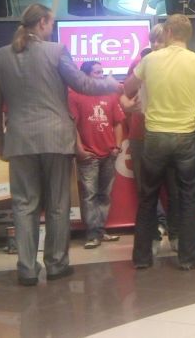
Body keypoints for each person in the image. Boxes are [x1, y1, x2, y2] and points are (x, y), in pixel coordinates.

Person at [0, 3, 119, 286]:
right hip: (56, 138)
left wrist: (0, 143)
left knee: (23, 205)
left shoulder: (1, 56)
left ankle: (27, 269)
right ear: (42, 22)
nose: (52, 29)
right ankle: (56, 264)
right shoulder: (57, 51)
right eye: (51, 23)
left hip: (20, 140)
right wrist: (112, 84)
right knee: (58, 204)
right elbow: (83, 84)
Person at [124, 14, 195, 270]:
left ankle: (142, 257)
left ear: (167, 33)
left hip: (155, 136)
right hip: (186, 136)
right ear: (188, 36)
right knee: (188, 197)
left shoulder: (150, 60)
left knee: (148, 197)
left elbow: (128, 87)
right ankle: (188, 257)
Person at [120, 23, 179, 253]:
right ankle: (153, 234)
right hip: (141, 134)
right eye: (153, 40)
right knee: (146, 190)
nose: (156, 45)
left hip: (169, 131)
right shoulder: (140, 63)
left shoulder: (177, 64)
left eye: (160, 40)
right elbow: (123, 93)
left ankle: (176, 234)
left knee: (173, 187)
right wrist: (127, 105)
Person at [69, 61, 125, 249]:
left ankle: (100, 231)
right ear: (85, 76)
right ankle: (92, 234)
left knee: (104, 195)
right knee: (90, 195)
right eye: (97, 72)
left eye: (102, 72)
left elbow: (118, 122)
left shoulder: (110, 95)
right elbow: (72, 125)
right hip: (89, 156)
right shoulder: (75, 95)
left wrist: (117, 146)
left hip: (109, 153)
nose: (101, 75)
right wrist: (80, 149)